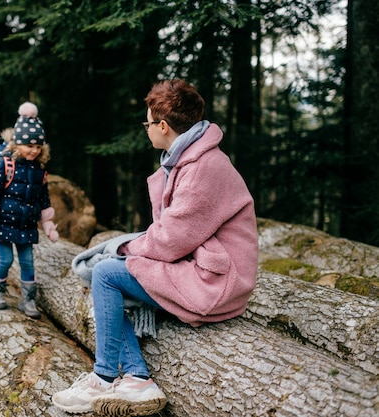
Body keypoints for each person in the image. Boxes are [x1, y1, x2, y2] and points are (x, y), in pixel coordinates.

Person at [52, 79, 259, 416]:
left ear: (163, 126)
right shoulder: (187, 159)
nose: (145, 129)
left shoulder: (203, 169)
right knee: (103, 271)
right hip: (201, 265)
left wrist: (122, 248)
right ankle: (135, 377)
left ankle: (105, 378)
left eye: (147, 123)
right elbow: (175, 233)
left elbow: (169, 240)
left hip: (216, 282)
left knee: (105, 272)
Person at [0, 102, 59, 319]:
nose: (33, 150)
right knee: (5, 260)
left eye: (37, 146)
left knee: (27, 262)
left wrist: (48, 222)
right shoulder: (4, 164)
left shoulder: (40, 170)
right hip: (4, 222)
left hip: (26, 224)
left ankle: (28, 300)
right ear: (17, 144)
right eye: (28, 145)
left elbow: (43, 197)